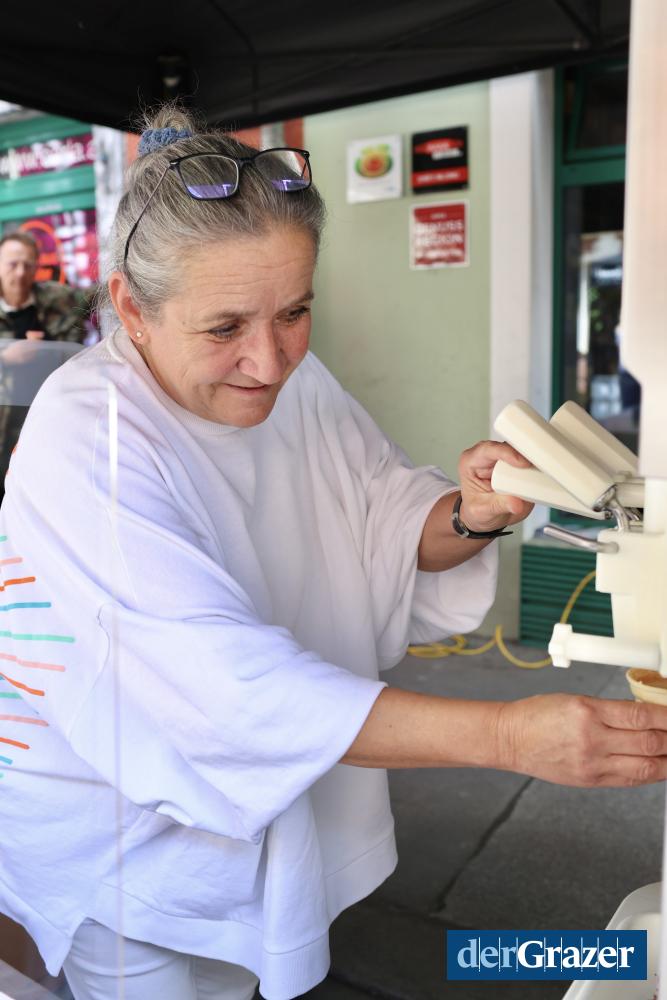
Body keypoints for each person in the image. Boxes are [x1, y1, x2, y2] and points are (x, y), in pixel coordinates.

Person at [1, 106, 666, 1000]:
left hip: (258, 800)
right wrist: (507, 735)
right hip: (119, 829)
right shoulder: (90, 432)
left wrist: (471, 512)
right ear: (131, 307)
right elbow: (221, 687)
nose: (269, 360)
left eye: (296, 311)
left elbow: (381, 526)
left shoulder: (299, 383)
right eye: (224, 327)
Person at [0, 230, 91, 493]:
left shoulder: (56, 298)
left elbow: (97, 294)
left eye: (28, 265)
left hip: (47, 418)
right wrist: (6, 356)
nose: (20, 273)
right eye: (12, 264)